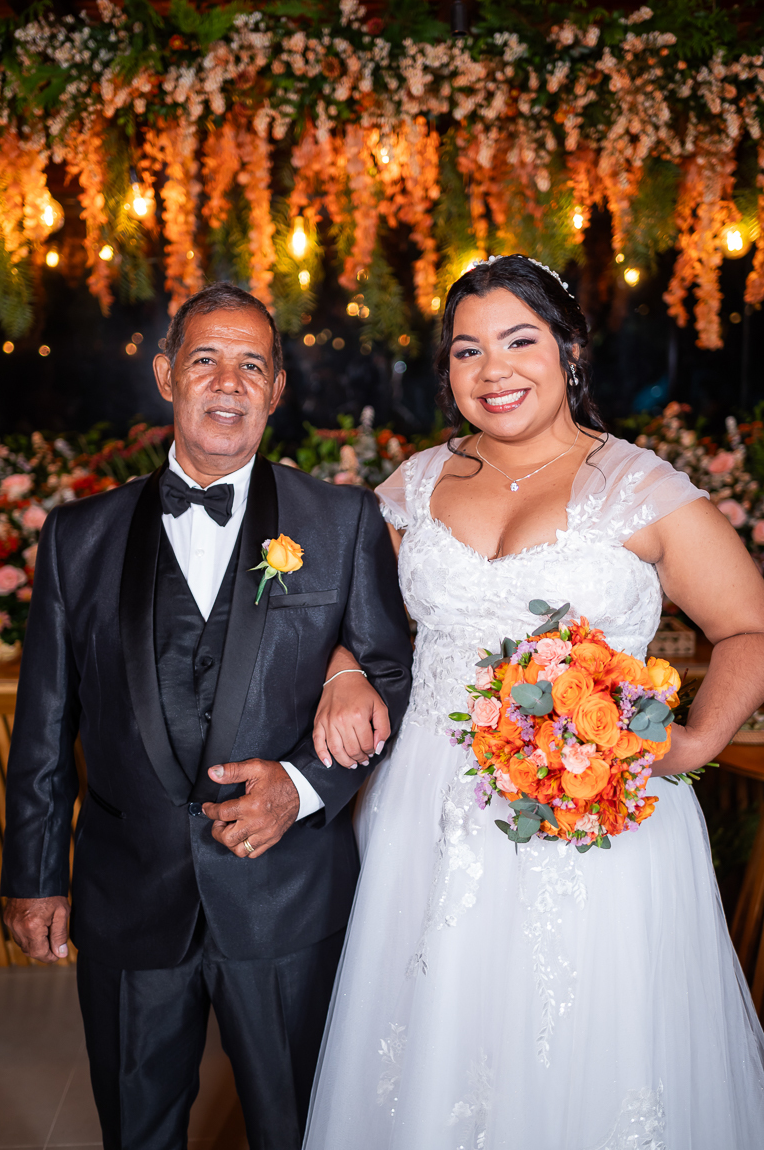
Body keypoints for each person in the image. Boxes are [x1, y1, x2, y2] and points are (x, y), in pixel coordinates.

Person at [304, 255, 764, 1149]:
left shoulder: (642, 488)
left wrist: (696, 742)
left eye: (519, 341)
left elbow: (747, 628)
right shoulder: (414, 485)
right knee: (429, 1037)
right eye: (466, 350)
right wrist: (343, 673)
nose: (493, 370)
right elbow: (335, 614)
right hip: (424, 817)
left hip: (598, 818)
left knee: (581, 1046)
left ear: (569, 351)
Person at [0, 282, 412, 1150]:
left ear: (275, 390)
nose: (228, 383)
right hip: (127, 890)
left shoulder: (340, 522)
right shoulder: (77, 535)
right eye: (205, 360)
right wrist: (34, 873)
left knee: (298, 1127)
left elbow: (390, 676)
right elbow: (44, 721)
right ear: (165, 375)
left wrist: (300, 788)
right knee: (135, 1128)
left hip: (287, 896)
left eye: (250, 365)